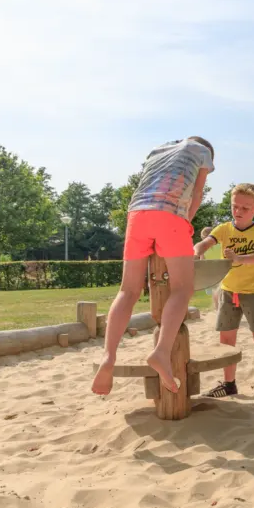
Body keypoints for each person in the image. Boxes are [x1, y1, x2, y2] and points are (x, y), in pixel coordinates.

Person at [91, 136, 215, 396]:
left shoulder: (158, 149)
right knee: (182, 288)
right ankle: (161, 352)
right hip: (170, 214)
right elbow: (197, 192)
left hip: (137, 213)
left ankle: (108, 356)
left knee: (127, 290)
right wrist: (184, 222)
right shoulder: (203, 151)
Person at [194, 183, 254, 403]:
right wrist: (197, 251)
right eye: (235, 206)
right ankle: (229, 384)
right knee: (226, 341)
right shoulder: (224, 229)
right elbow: (205, 243)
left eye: (245, 208)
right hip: (228, 292)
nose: (239, 211)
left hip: (253, 293)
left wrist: (238, 259)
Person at [199, 226, 222, 311]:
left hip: (210, 273)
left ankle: (217, 308)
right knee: (221, 291)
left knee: (213, 291)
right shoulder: (221, 246)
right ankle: (222, 307)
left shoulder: (203, 250)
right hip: (221, 271)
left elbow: (202, 262)